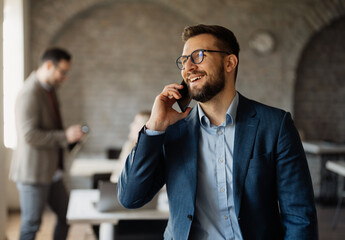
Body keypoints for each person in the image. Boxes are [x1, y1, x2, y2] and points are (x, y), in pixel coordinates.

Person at [117, 24, 318, 239]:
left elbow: (299, 214)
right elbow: (130, 198)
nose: (188, 67)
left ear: (229, 62)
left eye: (198, 56)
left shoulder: (275, 125)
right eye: (184, 61)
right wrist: (155, 126)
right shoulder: (173, 131)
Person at [9, 47, 85, 240]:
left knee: (67, 215)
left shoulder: (48, 90)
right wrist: (64, 136)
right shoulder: (30, 93)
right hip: (33, 174)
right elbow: (29, 135)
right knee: (31, 225)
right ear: (49, 66)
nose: (65, 77)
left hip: (52, 172)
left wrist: (68, 137)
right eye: (63, 72)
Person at [110, 110, 151, 183]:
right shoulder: (128, 146)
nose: (131, 125)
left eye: (136, 123)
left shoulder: (150, 150)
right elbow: (116, 174)